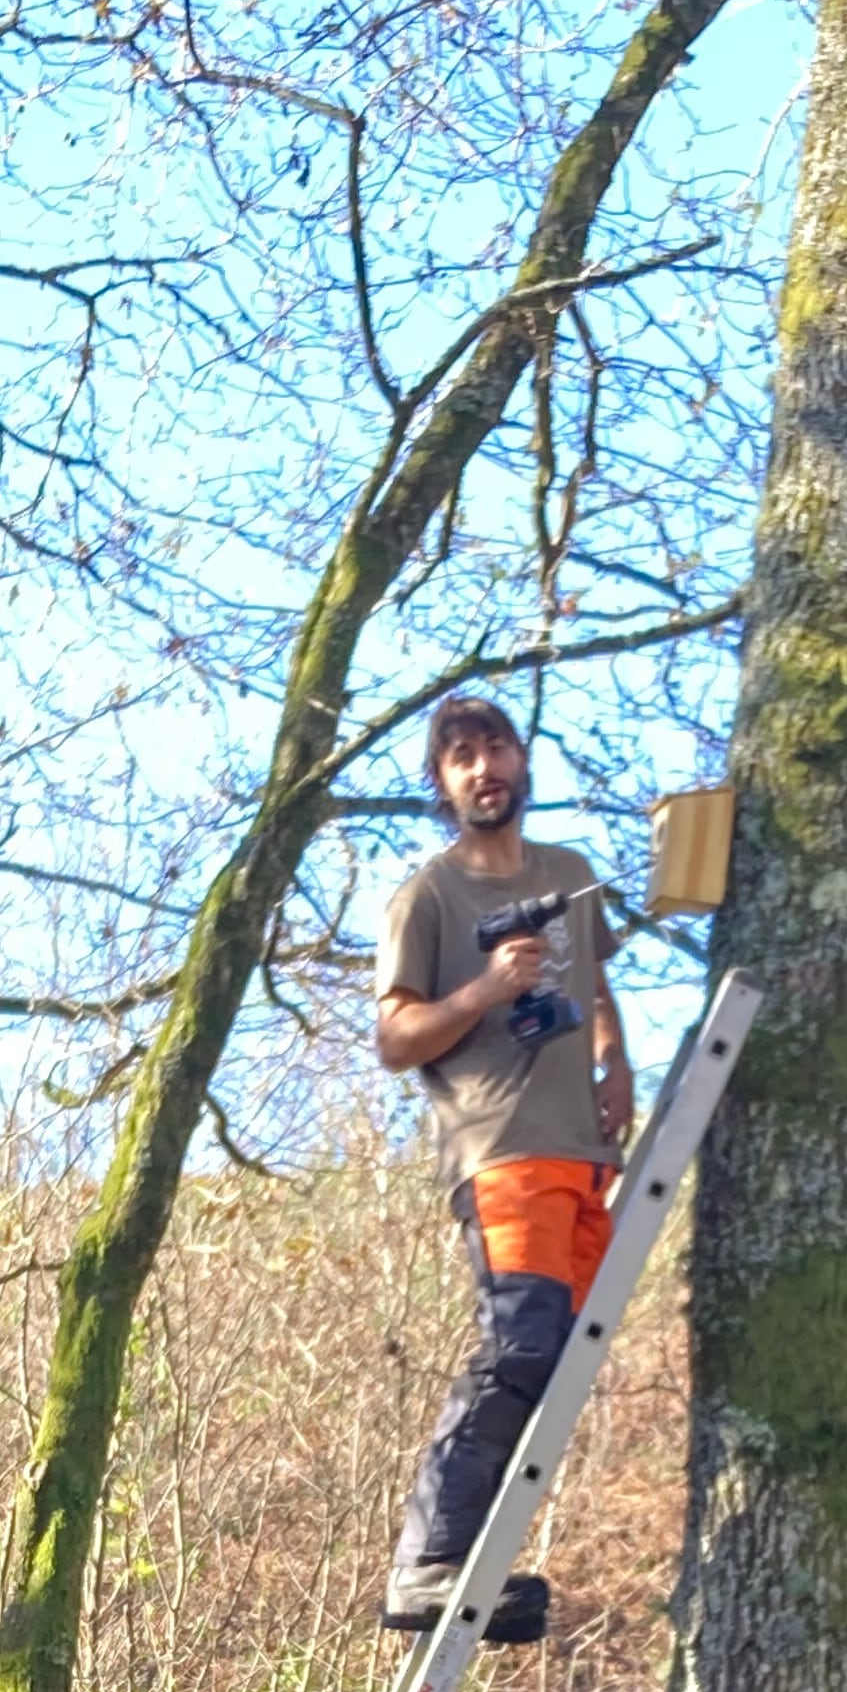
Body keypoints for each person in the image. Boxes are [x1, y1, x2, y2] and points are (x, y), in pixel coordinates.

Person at [373, 697, 631, 1635]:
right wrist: (487, 988)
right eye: (462, 758)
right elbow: (396, 1038)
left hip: (583, 1154)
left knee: (558, 1364)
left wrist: (616, 1064)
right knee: (520, 1342)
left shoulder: (570, 875)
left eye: (496, 749)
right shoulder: (430, 898)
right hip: (501, 1148)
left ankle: (474, 1566)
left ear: (522, 761)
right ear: (442, 783)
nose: (483, 769)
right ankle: (426, 1561)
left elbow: (595, 987)